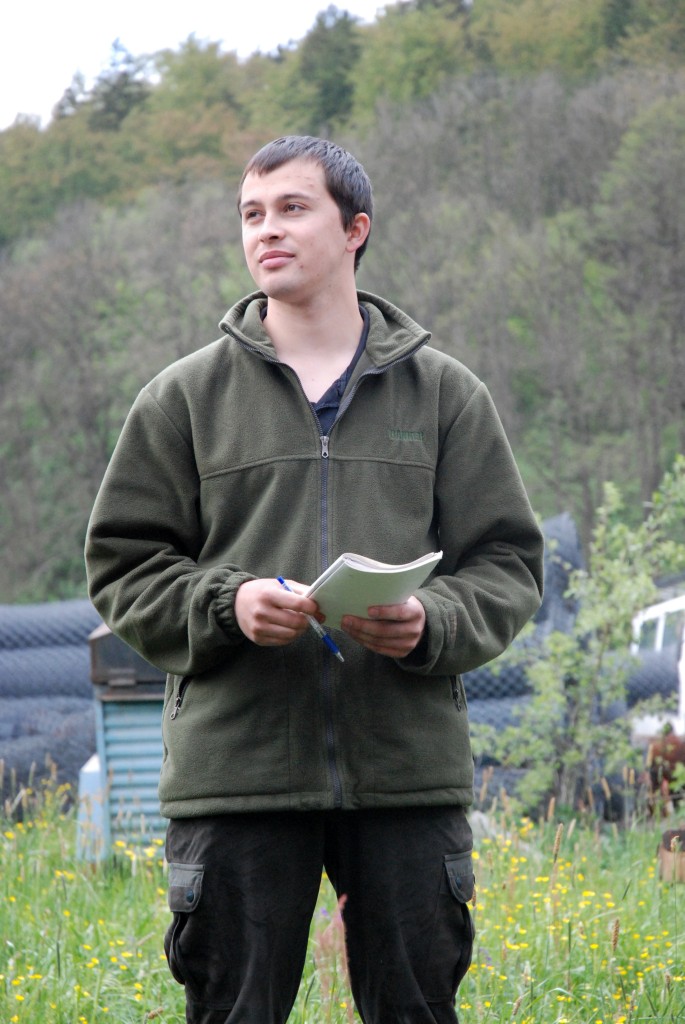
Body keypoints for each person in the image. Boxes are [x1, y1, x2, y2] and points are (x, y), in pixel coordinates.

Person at [85, 135, 544, 1024]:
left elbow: (507, 562)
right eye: (251, 214)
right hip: (237, 774)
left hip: (404, 773)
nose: (267, 230)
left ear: (354, 229)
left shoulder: (445, 395)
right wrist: (226, 604)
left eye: (292, 209)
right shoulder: (181, 398)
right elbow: (123, 564)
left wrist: (431, 621)